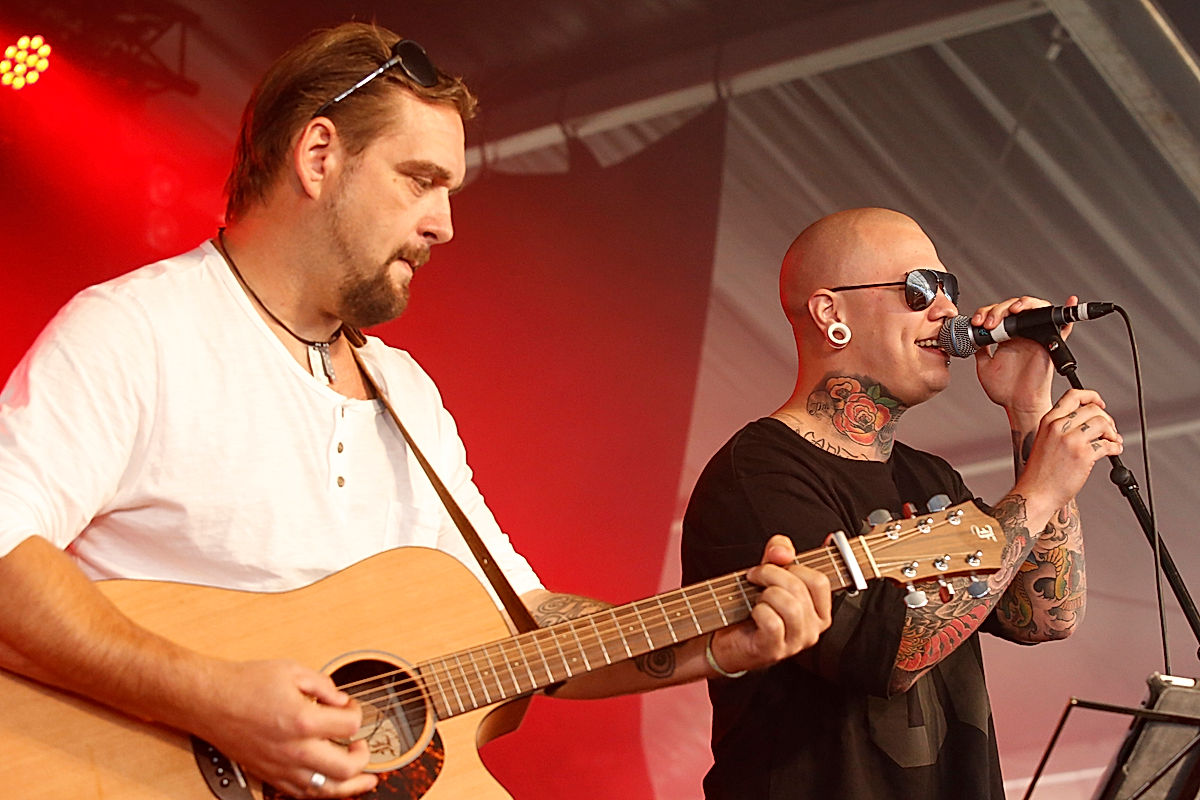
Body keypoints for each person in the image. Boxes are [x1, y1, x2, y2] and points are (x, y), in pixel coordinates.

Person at [0, 22, 832, 799]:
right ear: (320, 155)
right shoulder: (139, 331)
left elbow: (526, 624)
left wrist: (717, 643)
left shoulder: (407, 393)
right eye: (421, 180)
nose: (445, 224)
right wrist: (209, 697)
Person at [681, 207, 1123, 799]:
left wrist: (1027, 407)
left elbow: (1044, 616)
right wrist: (1038, 493)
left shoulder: (929, 474)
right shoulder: (759, 472)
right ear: (831, 313)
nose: (946, 310)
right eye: (919, 289)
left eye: (949, 289)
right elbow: (891, 655)